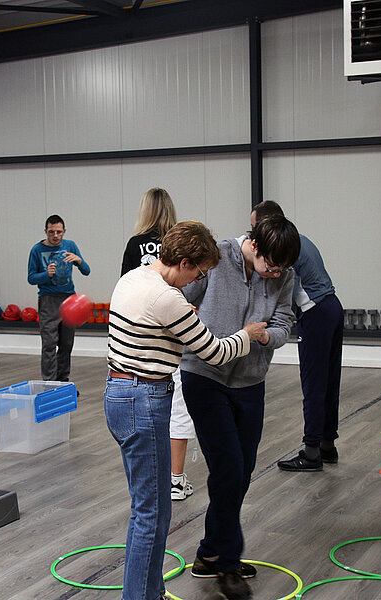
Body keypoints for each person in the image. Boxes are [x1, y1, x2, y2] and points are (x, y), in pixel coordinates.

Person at [105, 221, 267, 600]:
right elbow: (215, 351)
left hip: (118, 393)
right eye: (199, 271)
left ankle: (151, 592)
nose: (199, 278)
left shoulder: (132, 279)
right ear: (184, 262)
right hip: (144, 399)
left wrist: (182, 317)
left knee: (148, 509)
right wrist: (248, 335)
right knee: (153, 514)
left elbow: (149, 326)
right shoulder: (169, 300)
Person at [179, 214, 300, 600]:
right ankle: (229, 564)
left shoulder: (284, 274)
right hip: (205, 376)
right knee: (229, 467)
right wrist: (193, 324)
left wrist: (268, 336)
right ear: (255, 246)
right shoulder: (218, 259)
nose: (275, 274)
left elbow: (285, 321)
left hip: (251, 380)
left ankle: (210, 551)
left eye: (282, 269)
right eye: (271, 265)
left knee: (241, 470)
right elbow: (180, 297)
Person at [249, 202, 345, 473]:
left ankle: (312, 451)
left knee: (313, 384)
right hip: (332, 307)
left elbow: (280, 291)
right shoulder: (303, 240)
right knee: (329, 381)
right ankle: (327, 444)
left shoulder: (285, 248)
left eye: (255, 228)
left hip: (315, 312)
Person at [120, 187, 196, 502]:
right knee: (176, 404)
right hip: (174, 330)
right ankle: (174, 479)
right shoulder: (178, 244)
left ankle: (150, 480)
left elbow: (124, 288)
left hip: (139, 340)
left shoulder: (134, 245)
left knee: (142, 404)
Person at [27, 215, 90, 382]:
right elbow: (31, 278)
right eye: (51, 232)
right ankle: (49, 383)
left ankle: (63, 381)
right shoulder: (36, 250)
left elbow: (87, 271)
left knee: (66, 344)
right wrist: (45, 274)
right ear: (45, 232)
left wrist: (79, 261)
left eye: (59, 232)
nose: (55, 235)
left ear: (64, 231)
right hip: (48, 299)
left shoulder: (70, 246)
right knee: (49, 344)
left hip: (69, 300)